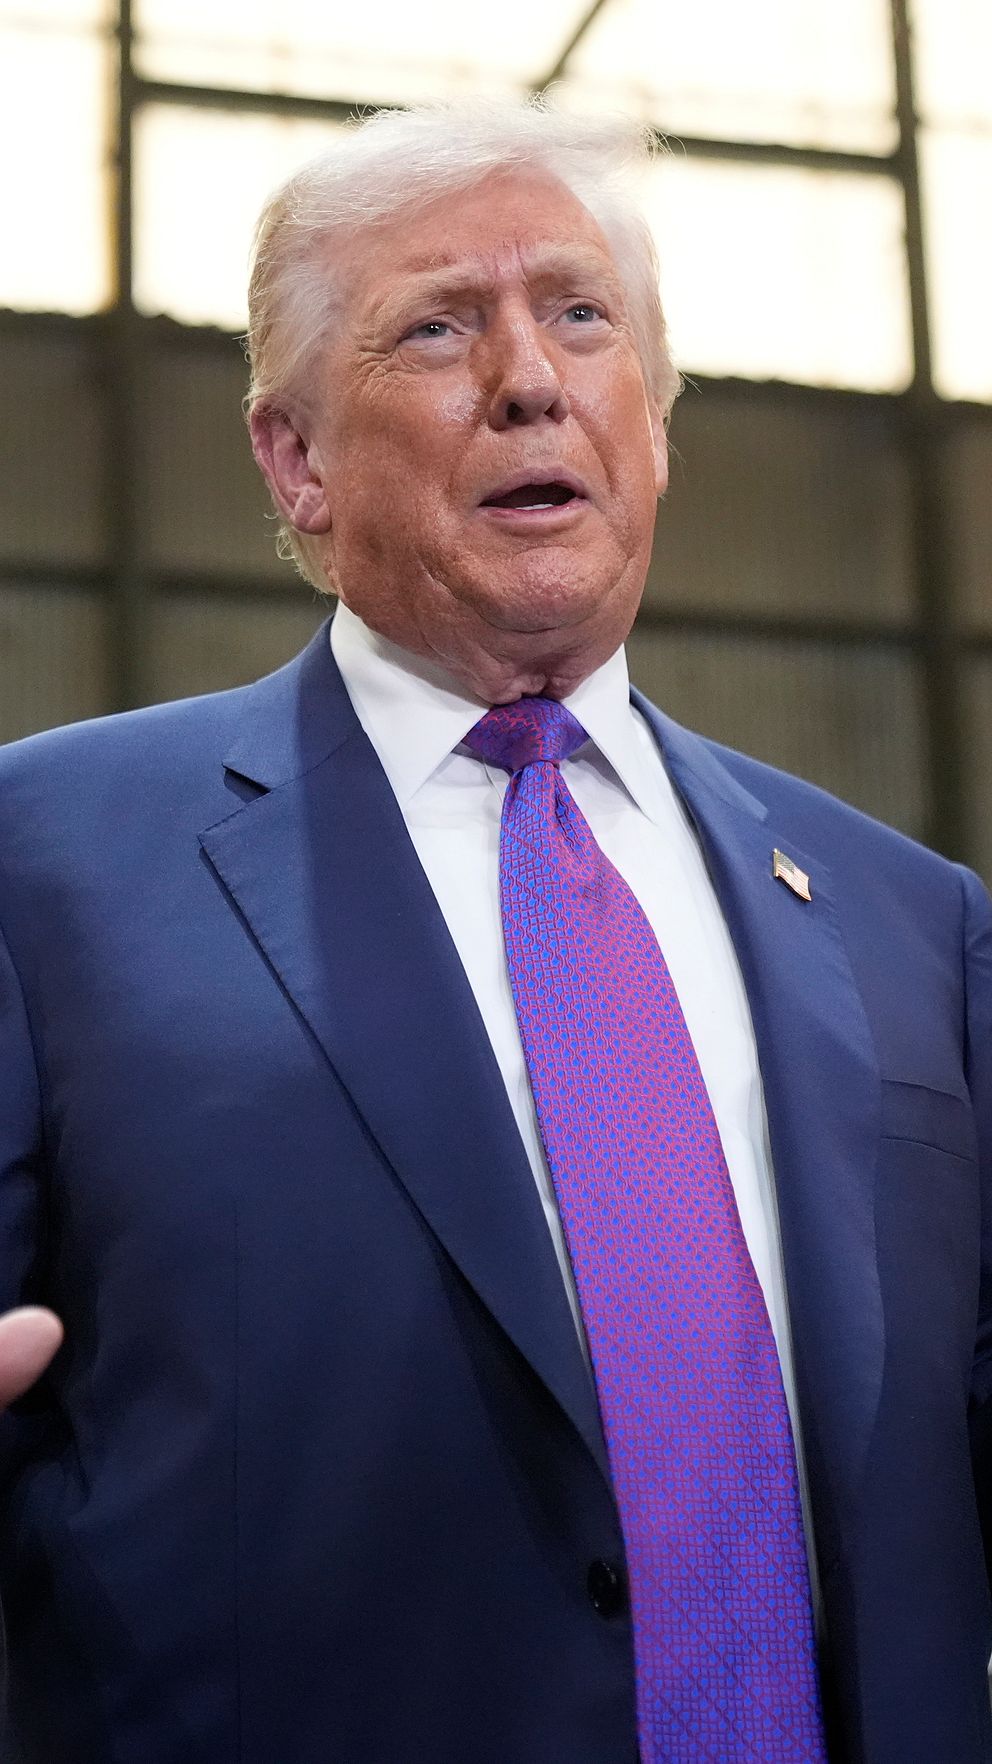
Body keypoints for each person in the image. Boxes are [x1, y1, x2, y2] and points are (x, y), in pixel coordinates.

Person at [1, 98, 990, 1764]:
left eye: (583, 315)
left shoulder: (915, 918)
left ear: (653, 431)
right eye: (440, 328)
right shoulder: (43, 867)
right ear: (297, 462)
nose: (531, 378)